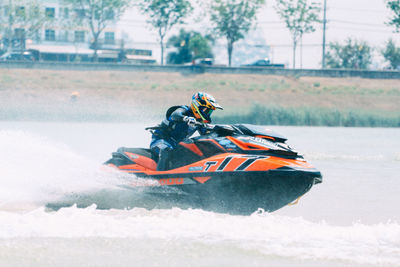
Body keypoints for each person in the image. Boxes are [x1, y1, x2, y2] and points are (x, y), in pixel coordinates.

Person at [149, 92, 223, 171]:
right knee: (166, 150)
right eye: (206, 110)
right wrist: (186, 118)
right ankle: (160, 178)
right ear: (197, 106)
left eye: (209, 112)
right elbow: (175, 115)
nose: (207, 113)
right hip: (161, 140)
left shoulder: (199, 122)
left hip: (177, 144)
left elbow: (206, 135)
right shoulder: (184, 110)